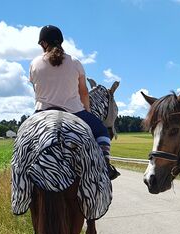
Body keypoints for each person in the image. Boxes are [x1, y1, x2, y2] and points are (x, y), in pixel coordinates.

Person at [29, 25, 120, 180]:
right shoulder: (75, 62)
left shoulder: (34, 63)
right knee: (102, 131)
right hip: (74, 112)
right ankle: (105, 165)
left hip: (42, 113)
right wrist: (88, 113)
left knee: (23, 139)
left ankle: (18, 175)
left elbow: (36, 91)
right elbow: (84, 92)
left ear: (44, 44)